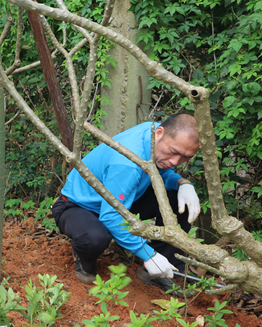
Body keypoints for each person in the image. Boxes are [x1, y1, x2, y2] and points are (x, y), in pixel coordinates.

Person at [51, 113, 201, 294]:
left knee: (181, 199)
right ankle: (85, 259)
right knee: (94, 238)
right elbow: (111, 216)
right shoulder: (126, 163)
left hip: (124, 198)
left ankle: (162, 268)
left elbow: (160, 172)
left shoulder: (155, 133)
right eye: (173, 152)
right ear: (159, 132)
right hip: (78, 206)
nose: (175, 162)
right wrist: (149, 255)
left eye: (185, 157)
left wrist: (182, 183)